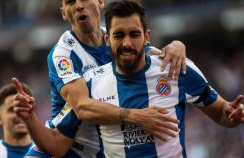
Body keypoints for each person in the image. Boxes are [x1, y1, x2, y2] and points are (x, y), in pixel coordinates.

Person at [13, 0, 244, 157]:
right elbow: (82, 108)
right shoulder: (64, 55)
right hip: (71, 141)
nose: (79, 5)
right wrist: (137, 117)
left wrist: (176, 45)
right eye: (71, 1)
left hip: (101, 147)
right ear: (63, 12)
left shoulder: (117, 36)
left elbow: (149, 53)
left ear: (100, 1)